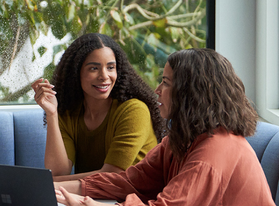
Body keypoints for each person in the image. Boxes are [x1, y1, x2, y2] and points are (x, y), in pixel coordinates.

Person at [54, 48, 276, 206]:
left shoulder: (212, 153)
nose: (157, 89)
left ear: (191, 94)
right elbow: (130, 181)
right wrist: (59, 190)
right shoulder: (180, 139)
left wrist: (90, 204)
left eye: (167, 83)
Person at [32, 33, 164, 182]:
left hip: (136, 198)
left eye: (110, 67)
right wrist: (52, 114)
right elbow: (58, 171)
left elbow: (111, 175)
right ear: (76, 73)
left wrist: (47, 183)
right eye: (94, 68)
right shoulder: (69, 113)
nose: (104, 76)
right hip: (93, 196)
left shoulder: (134, 111)